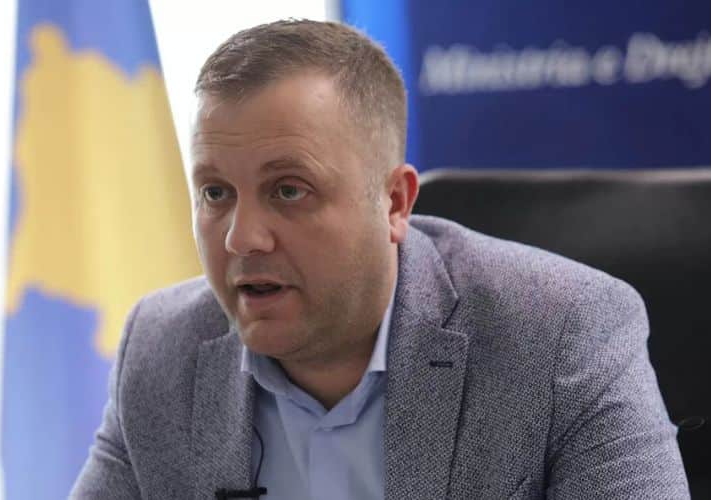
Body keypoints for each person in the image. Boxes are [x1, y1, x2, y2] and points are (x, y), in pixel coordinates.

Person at [70, 20, 688, 499]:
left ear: (394, 202)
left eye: (289, 190)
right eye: (215, 193)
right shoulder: (160, 351)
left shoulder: (562, 336)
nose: (241, 239)